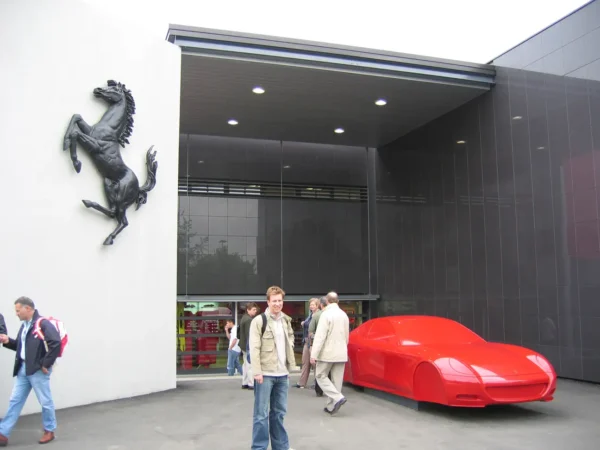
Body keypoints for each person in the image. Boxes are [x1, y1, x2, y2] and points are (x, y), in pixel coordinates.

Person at [0, 297, 61, 446]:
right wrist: (8, 341)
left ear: (28, 309)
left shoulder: (43, 324)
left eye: (18, 310)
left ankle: (49, 430)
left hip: (37, 371)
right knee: (15, 401)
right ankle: (3, 433)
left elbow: (56, 343)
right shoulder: (25, 326)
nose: (16, 314)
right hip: (23, 370)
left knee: (45, 401)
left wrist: (46, 364)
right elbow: (22, 348)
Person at [249, 286, 297, 450]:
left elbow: (289, 343)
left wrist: (288, 368)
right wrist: (257, 372)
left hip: (282, 375)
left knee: (278, 414)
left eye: (280, 300)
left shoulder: (286, 320)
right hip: (265, 375)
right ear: (268, 302)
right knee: (261, 415)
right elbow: (254, 348)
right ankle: (259, 447)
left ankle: (281, 447)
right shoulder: (259, 321)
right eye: (274, 301)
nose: (277, 303)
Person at [310, 291, 350, 416]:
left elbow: (320, 337)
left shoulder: (325, 315)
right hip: (341, 352)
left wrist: (314, 354)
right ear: (337, 301)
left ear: (326, 301)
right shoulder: (344, 315)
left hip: (326, 353)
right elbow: (346, 336)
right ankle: (331, 406)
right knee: (337, 380)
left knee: (320, 376)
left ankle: (337, 398)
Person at [295, 298, 319, 389]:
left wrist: (305, 323)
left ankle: (318, 384)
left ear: (317, 305)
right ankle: (301, 383)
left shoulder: (317, 315)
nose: (311, 306)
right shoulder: (310, 315)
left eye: (313, 304)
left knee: (315, 363)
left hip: (313, 341)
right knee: (305, 362)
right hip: (306, 341)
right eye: (310, 305)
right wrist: (304, 323)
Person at [308, 297, 327, 397]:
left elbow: (310, 332)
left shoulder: (316, 316)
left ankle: (319, 390)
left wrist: (311, 345)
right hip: (330, 347)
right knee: (330, 370)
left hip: (319, 344)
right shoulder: (337, 315)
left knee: (319, 369)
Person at [238, 302, 259, 390]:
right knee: (250, 365)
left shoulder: (243, 318)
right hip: (248, 345)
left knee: (245, 365)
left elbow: (238, 333)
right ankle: (251, 383)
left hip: (243, 345)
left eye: (255, 309)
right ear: (248, 310)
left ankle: (245, 382)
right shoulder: (249, 320)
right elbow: (250, 335)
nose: (255, 311)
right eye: (253, 310)